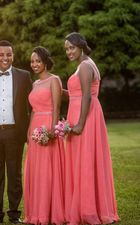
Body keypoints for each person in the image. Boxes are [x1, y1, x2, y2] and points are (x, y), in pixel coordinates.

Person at [63, 32, 120, 225]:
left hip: (85, 117)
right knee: (87, 159)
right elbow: (76, 94)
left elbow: (86, 96)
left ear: (81, 46)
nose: (69, 51)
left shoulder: (86, 66)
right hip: (90, 113)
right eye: (66, 49)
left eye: (72, 47)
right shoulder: (86, 63)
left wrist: (79, 123)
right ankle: (90, 205)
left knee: (85, 160)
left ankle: (88, 209)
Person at [0, 40, 32, 224]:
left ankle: (14, 214)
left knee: (14, 174)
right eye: (1, 54)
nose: (5, 58)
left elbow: (35, 100)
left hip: (14, 132)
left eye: (8, 54)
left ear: (13, 56)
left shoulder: (24, 76)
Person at [24, 46, 65, 225]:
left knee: (49, 170)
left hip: (48, 125)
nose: (34, 64)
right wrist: (28, 132)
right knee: (37, 171)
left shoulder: (54, 80)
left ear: (45, 61)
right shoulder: (34, 84)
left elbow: (56, 107)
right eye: (32, 61)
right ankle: (36, 211)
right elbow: (33, 110)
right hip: (34, 129)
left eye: (38, 61)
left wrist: (52, 130)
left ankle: (51, 211)